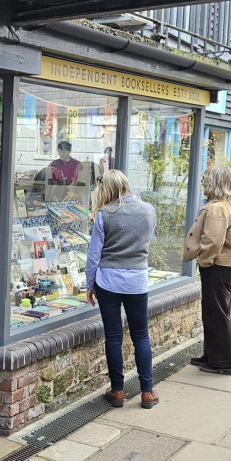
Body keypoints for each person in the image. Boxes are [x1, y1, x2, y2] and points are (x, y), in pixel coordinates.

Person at [85, 169, 159, 409]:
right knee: (141, 336)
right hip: (137, 279)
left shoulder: (104, 215)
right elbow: (148, 239)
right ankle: (147, 392)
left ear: (107, 189)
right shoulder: (148, 210)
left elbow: (94, 254)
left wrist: (89, 284)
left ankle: (117, 391)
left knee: (114, 337)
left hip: (108, 281)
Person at [183, 164, 231, 375]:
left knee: (217, 315)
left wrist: (205, 262)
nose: (203, 184)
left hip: (219, 266)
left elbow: (212, 242)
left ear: (214, 184)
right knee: (216, 313)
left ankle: (222, 363)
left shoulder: (216, 208)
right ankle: (212, 355)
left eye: (206, 181)